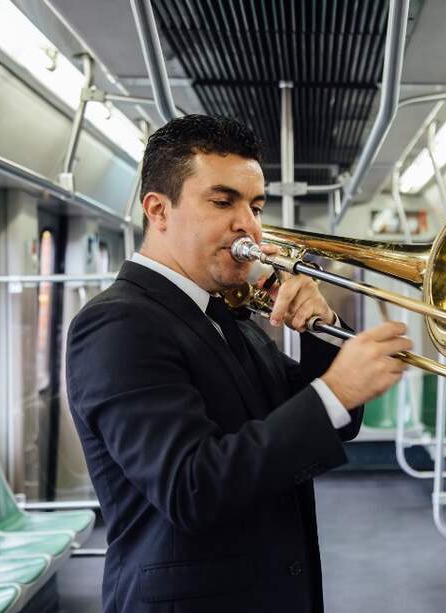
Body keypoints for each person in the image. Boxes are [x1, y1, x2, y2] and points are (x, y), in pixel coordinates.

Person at [66, 115, 411, 613]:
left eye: (255, 205)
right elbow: (191, 486)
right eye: (223, 202)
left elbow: (333, 423)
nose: (248, 224)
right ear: (158, 210)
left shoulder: (226, 314)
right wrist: (334, 390)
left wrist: (322, 330)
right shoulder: (118, 324)